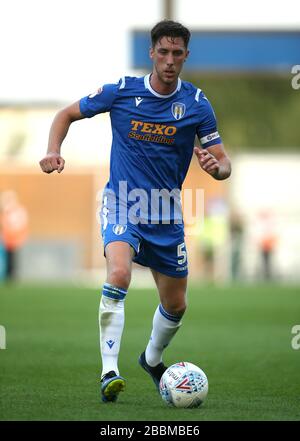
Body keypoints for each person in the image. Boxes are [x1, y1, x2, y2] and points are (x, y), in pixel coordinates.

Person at [39, 20, 231, 403]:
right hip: (122, 203)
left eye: (177, 54)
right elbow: (65, 115)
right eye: (163, 52)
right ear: (152, 53)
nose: (170, 60)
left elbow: (224, 162)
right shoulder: (122, 92)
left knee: (176, 304)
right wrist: (53, 150)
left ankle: (151, 358)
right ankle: (109, 370)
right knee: (120, 272)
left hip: (166, 214)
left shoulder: (196, 103)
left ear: (186, 56)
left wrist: (216, 167)